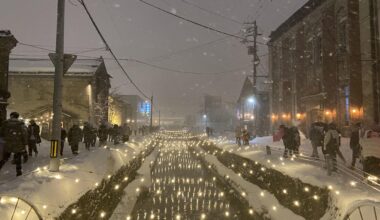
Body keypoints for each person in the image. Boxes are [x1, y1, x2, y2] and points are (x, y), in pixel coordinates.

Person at [0, 112, 28, 176]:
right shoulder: (21, 124)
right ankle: (19, 172)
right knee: (18, 158)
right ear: (17, 117)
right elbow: (25, 134)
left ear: (11, 116)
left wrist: (6, 138)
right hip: (18, 143)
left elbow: (1, 133)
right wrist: (25, 143)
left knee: (5, 157)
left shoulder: (5, 123)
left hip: (8, 143)